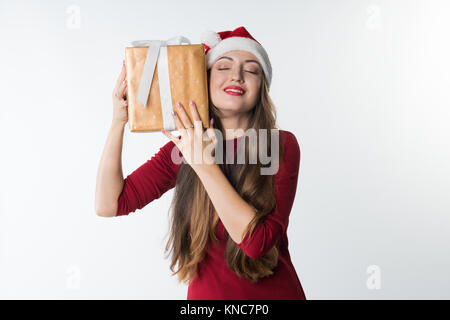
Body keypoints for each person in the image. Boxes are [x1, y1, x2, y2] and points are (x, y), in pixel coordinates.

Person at [95, 26, 307, 300]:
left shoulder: (280, 146)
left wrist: (203, 163)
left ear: (261, 88)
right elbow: (109, 204)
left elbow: (256, 243)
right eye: (223, 66)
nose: (237, 76)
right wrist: (118, 123)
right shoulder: (184, 147)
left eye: (252, 70)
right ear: (203, 79)